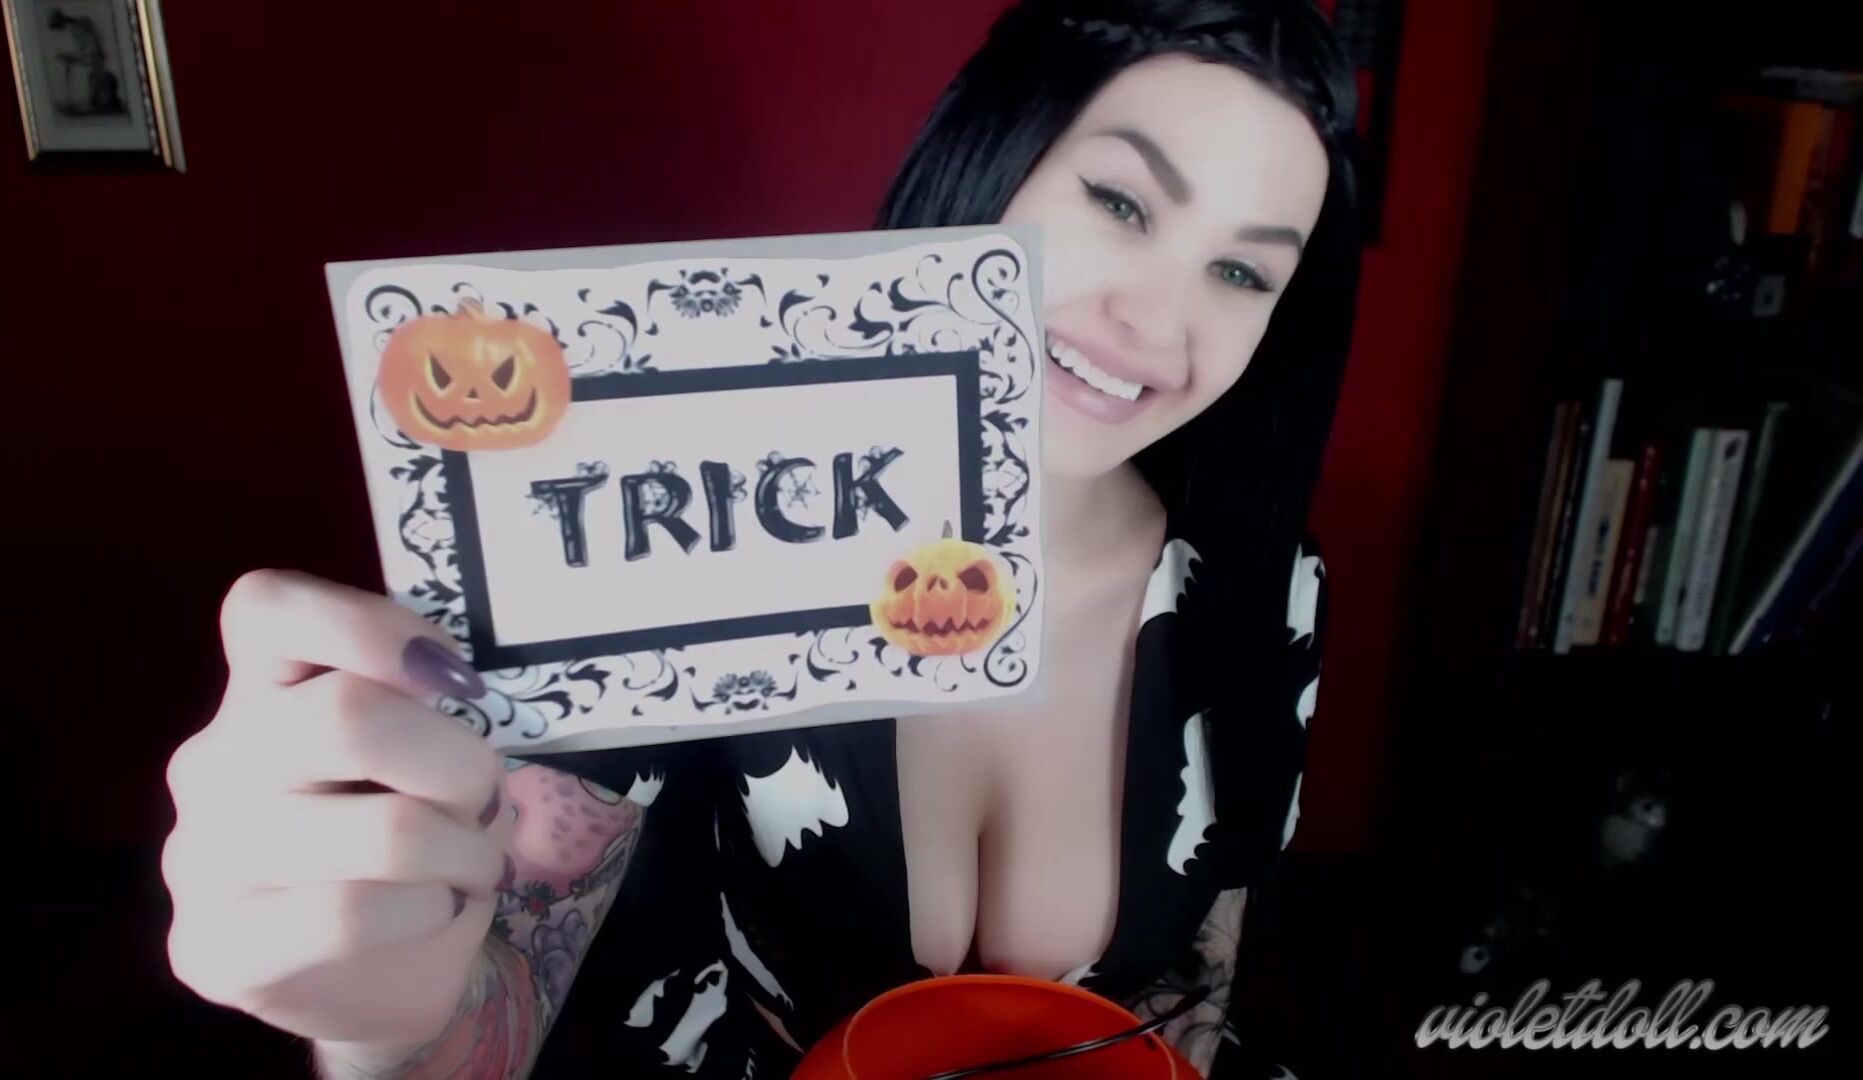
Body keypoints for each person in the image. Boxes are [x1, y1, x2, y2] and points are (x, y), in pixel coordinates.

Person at [161, 0, 1360, 1075]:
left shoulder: (1265, 590)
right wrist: (384, 1023)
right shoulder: (701, 519)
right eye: (1121, 203)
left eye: (1241, 272)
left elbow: (1198, 987)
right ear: (992, 159)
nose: (1160, 320)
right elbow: (496, 999)